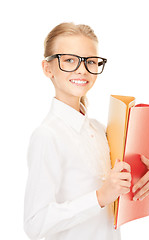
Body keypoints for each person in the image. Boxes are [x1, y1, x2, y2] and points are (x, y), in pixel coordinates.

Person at [23, 22, 132, 240]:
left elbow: (123, 187)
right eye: (70, 60)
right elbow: (34, 223)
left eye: (90, 61)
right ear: (48, 68)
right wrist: (100, 197)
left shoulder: (101, 130)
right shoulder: (47, 135)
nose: (82, 69)